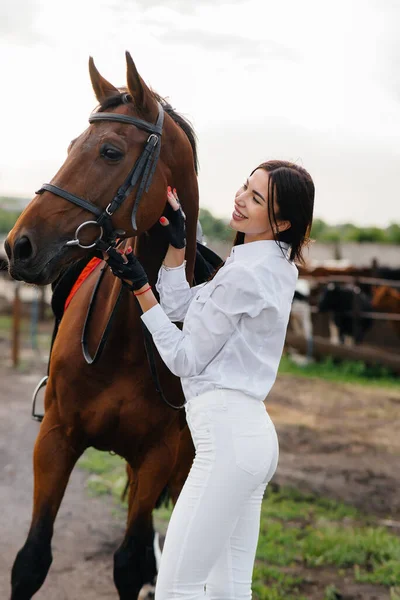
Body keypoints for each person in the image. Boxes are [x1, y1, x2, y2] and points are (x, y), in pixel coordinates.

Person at [106, 160, 315, 600]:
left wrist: (141, 291)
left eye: (257, 199)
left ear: (281, 222)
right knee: (229, 589)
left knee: (176, 588)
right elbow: (187, 309)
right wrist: (178, 250)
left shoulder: (243, 274)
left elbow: (184, 358)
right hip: (252, 439)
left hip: (227, 442)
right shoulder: (274, 268)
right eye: (245, 186)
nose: (241, 197)